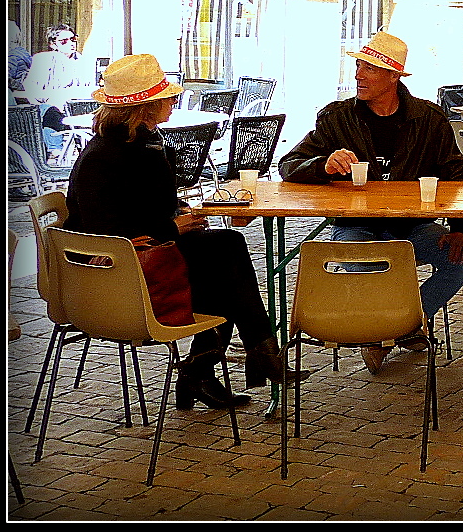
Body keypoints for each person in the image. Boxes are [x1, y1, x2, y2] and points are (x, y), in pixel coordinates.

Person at [65, 55, 305, 409]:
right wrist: (173, 226)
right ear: (144, 108)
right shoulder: (111, 155)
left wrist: (179, 217)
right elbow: (109, 233)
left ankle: (218, 367)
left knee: (225, 255)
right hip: (117, 278)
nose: (174, 101)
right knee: (226, 264)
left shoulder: (137, 144)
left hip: (140, 260)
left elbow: (144, 209)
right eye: (167, 96)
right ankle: (231, 361)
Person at [278, 31, 463, 373]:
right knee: (368, 269)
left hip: (411, 228)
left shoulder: (429, 119)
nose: (358, 75)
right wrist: (322, 165)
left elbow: (457, 177)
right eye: (357, 66)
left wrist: (459, 229)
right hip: (356, 226)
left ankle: (404, 326)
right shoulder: (336, 118)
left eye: (369, 68)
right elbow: (288, 166)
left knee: (461, 262)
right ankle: (386, 334)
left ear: (394, 76)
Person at [21, 24, 95, 162]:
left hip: (75, 108)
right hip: (47, 109)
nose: (71, 44)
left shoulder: (83, 62)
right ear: (53, 44)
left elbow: (89, 90)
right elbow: (32, 91)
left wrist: (64, 96)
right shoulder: (42, 60)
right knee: (48, 110)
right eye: (64, 41)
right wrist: (53, 99)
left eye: (73, 39)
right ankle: (55, 153)